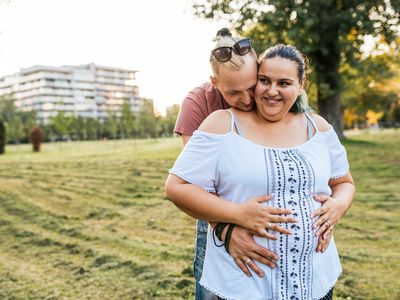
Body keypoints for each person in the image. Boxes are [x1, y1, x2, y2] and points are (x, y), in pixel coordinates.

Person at [166, 44, 355, 299]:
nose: (272, 91)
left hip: (315, 279)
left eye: (284, 83)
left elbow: (344, 182)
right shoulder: (222, 124)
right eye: (264, 81)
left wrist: (338, 206)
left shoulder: (318, 127)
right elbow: (177, 187)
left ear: (301, 84)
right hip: (245, 285)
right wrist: (236, 216)